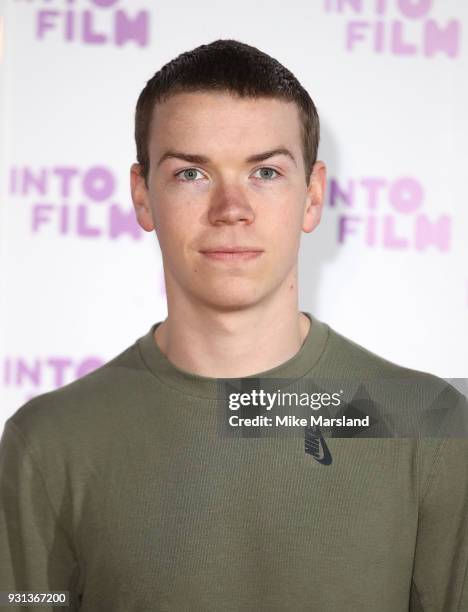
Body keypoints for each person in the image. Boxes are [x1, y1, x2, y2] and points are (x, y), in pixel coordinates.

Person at [0, 39, 467, 612]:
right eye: (192, 173)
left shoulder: (430, 427)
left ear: (313, 195)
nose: (231, 208)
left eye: (265, 172)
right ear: (142, 195)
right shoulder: (49, 443)